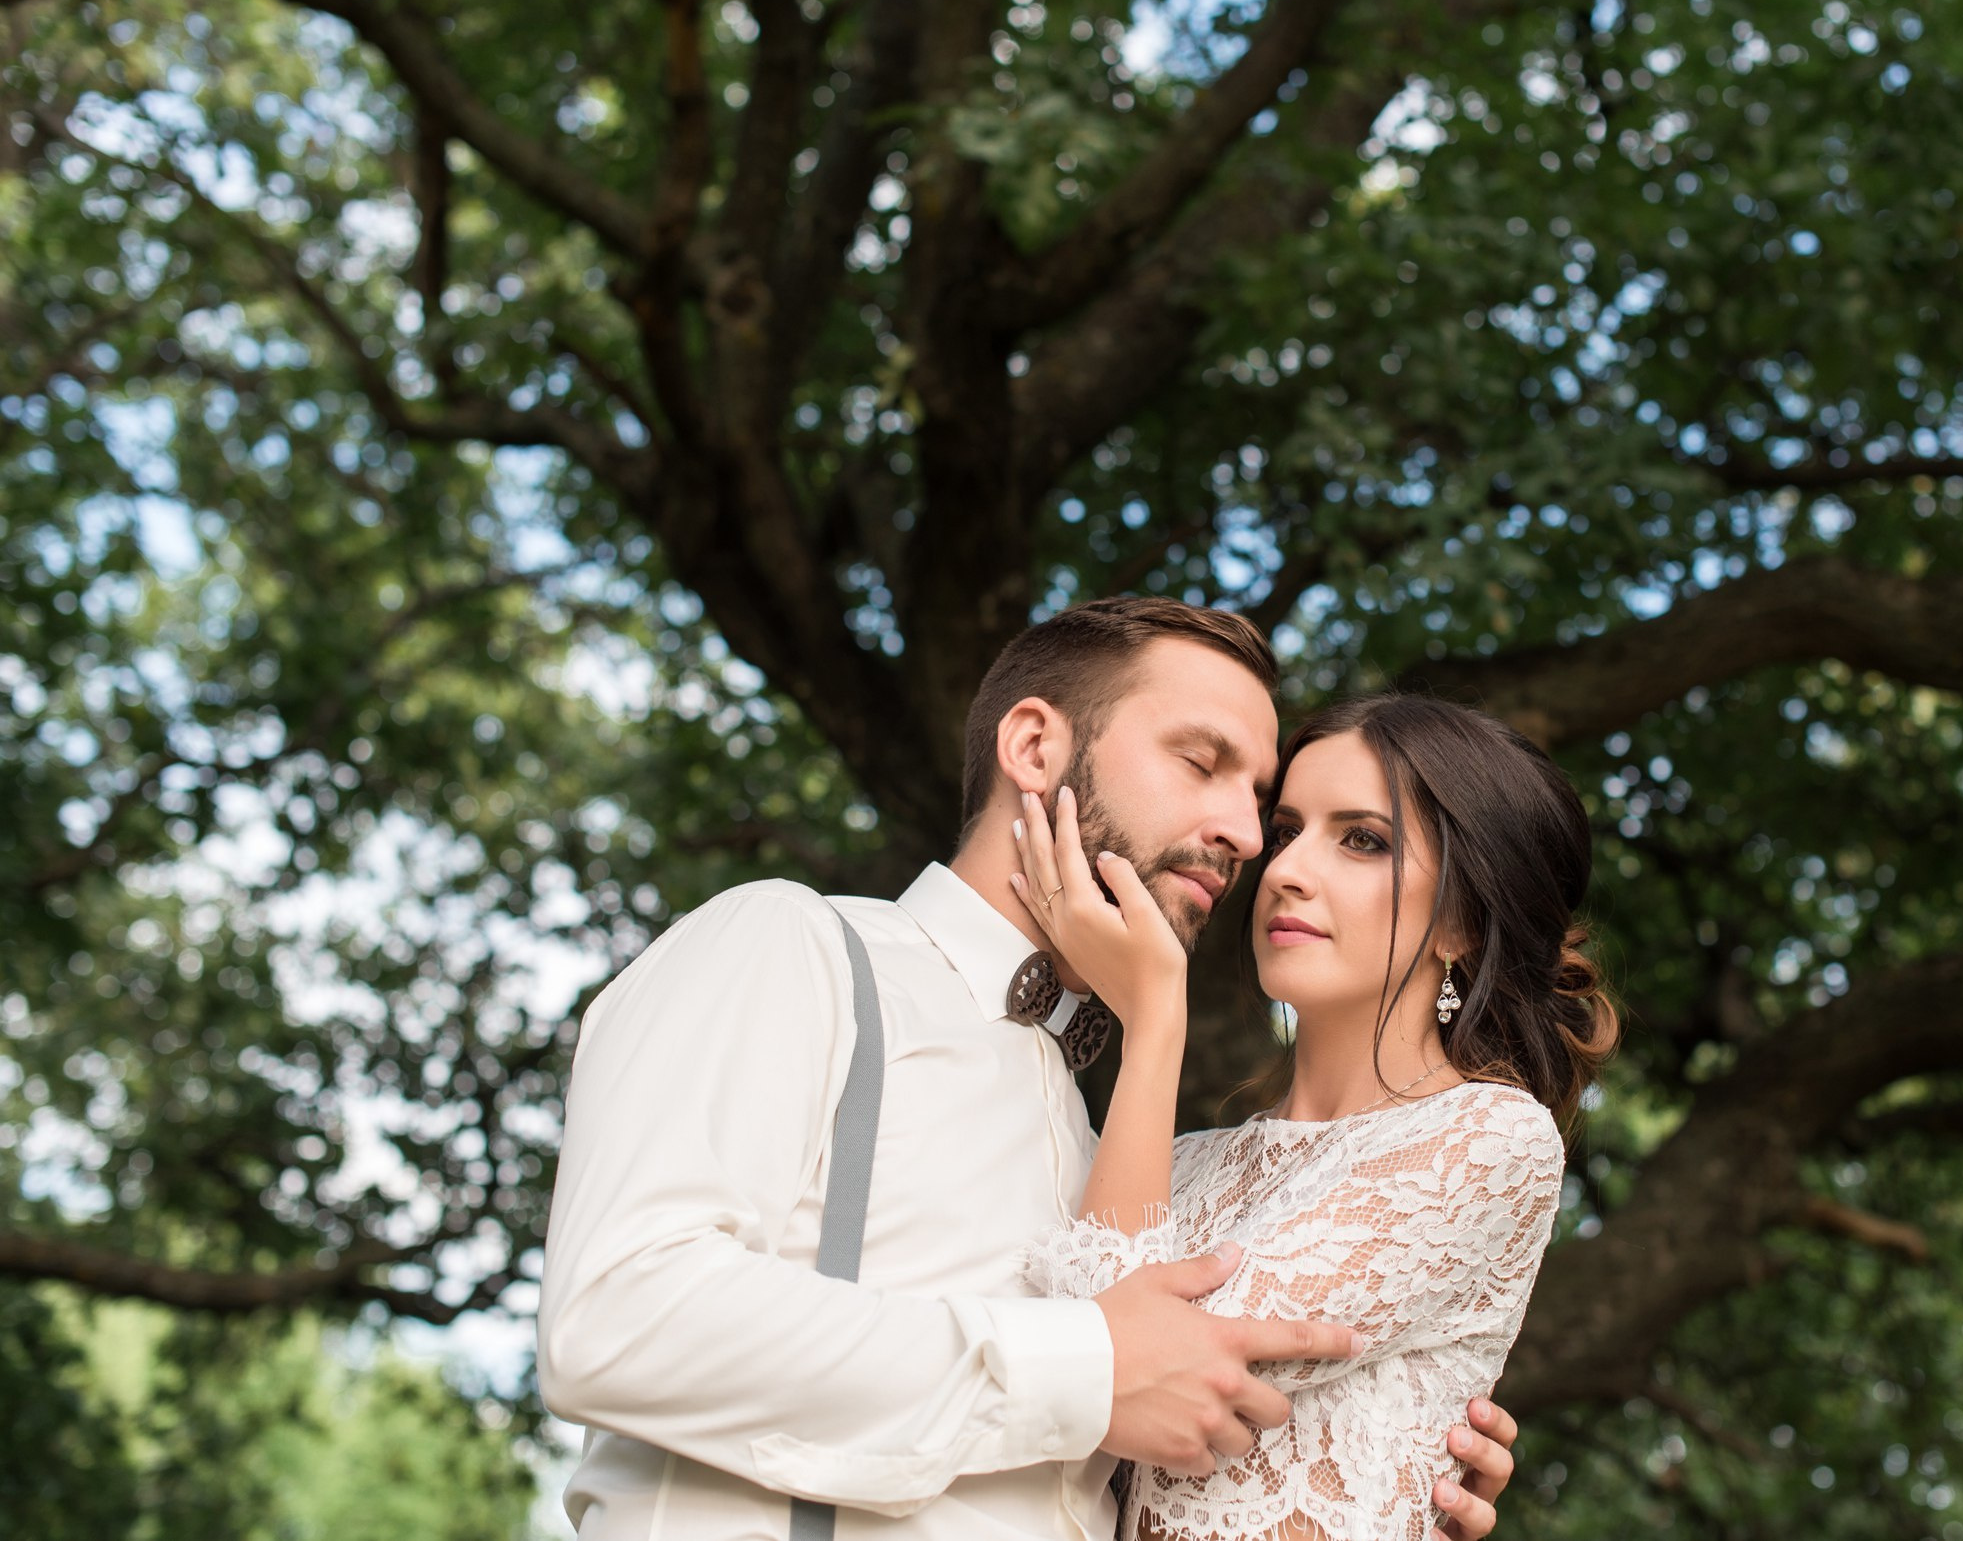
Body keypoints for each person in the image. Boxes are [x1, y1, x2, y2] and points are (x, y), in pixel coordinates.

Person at [537, 600, 1521, 1541]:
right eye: (1202, 763)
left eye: (1255, 801)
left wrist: (1385, 1459)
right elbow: (617, 1316)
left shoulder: (1114, 1155)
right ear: (1035, 748)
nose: (1248, 838)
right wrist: (1086, 1370)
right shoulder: (796, 948)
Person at [1010, 692, 1618, 1541]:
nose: (1287, 869)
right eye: (1288, 829)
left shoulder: (1488, 1139)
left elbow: (1115, 1366)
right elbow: (1060, 1391)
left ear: (1463, 922)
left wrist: (1154, 1023)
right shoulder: (1178, 1162)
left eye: (1362, 839)